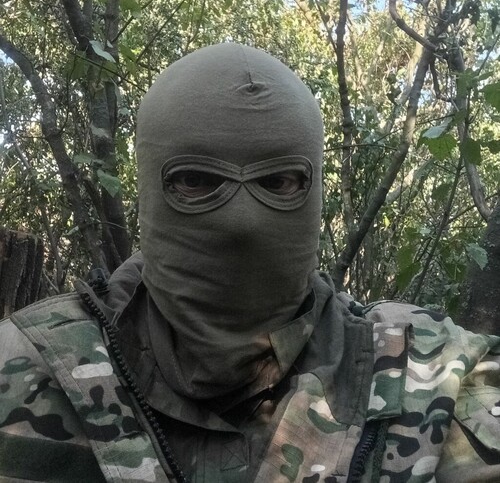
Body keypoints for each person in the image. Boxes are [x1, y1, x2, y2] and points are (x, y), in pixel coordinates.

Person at [1, 43, 499, 483]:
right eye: (196, 181)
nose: (241, 223)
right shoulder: (24, 370)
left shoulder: (428, 373)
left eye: (277, 182)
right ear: (150, 190)